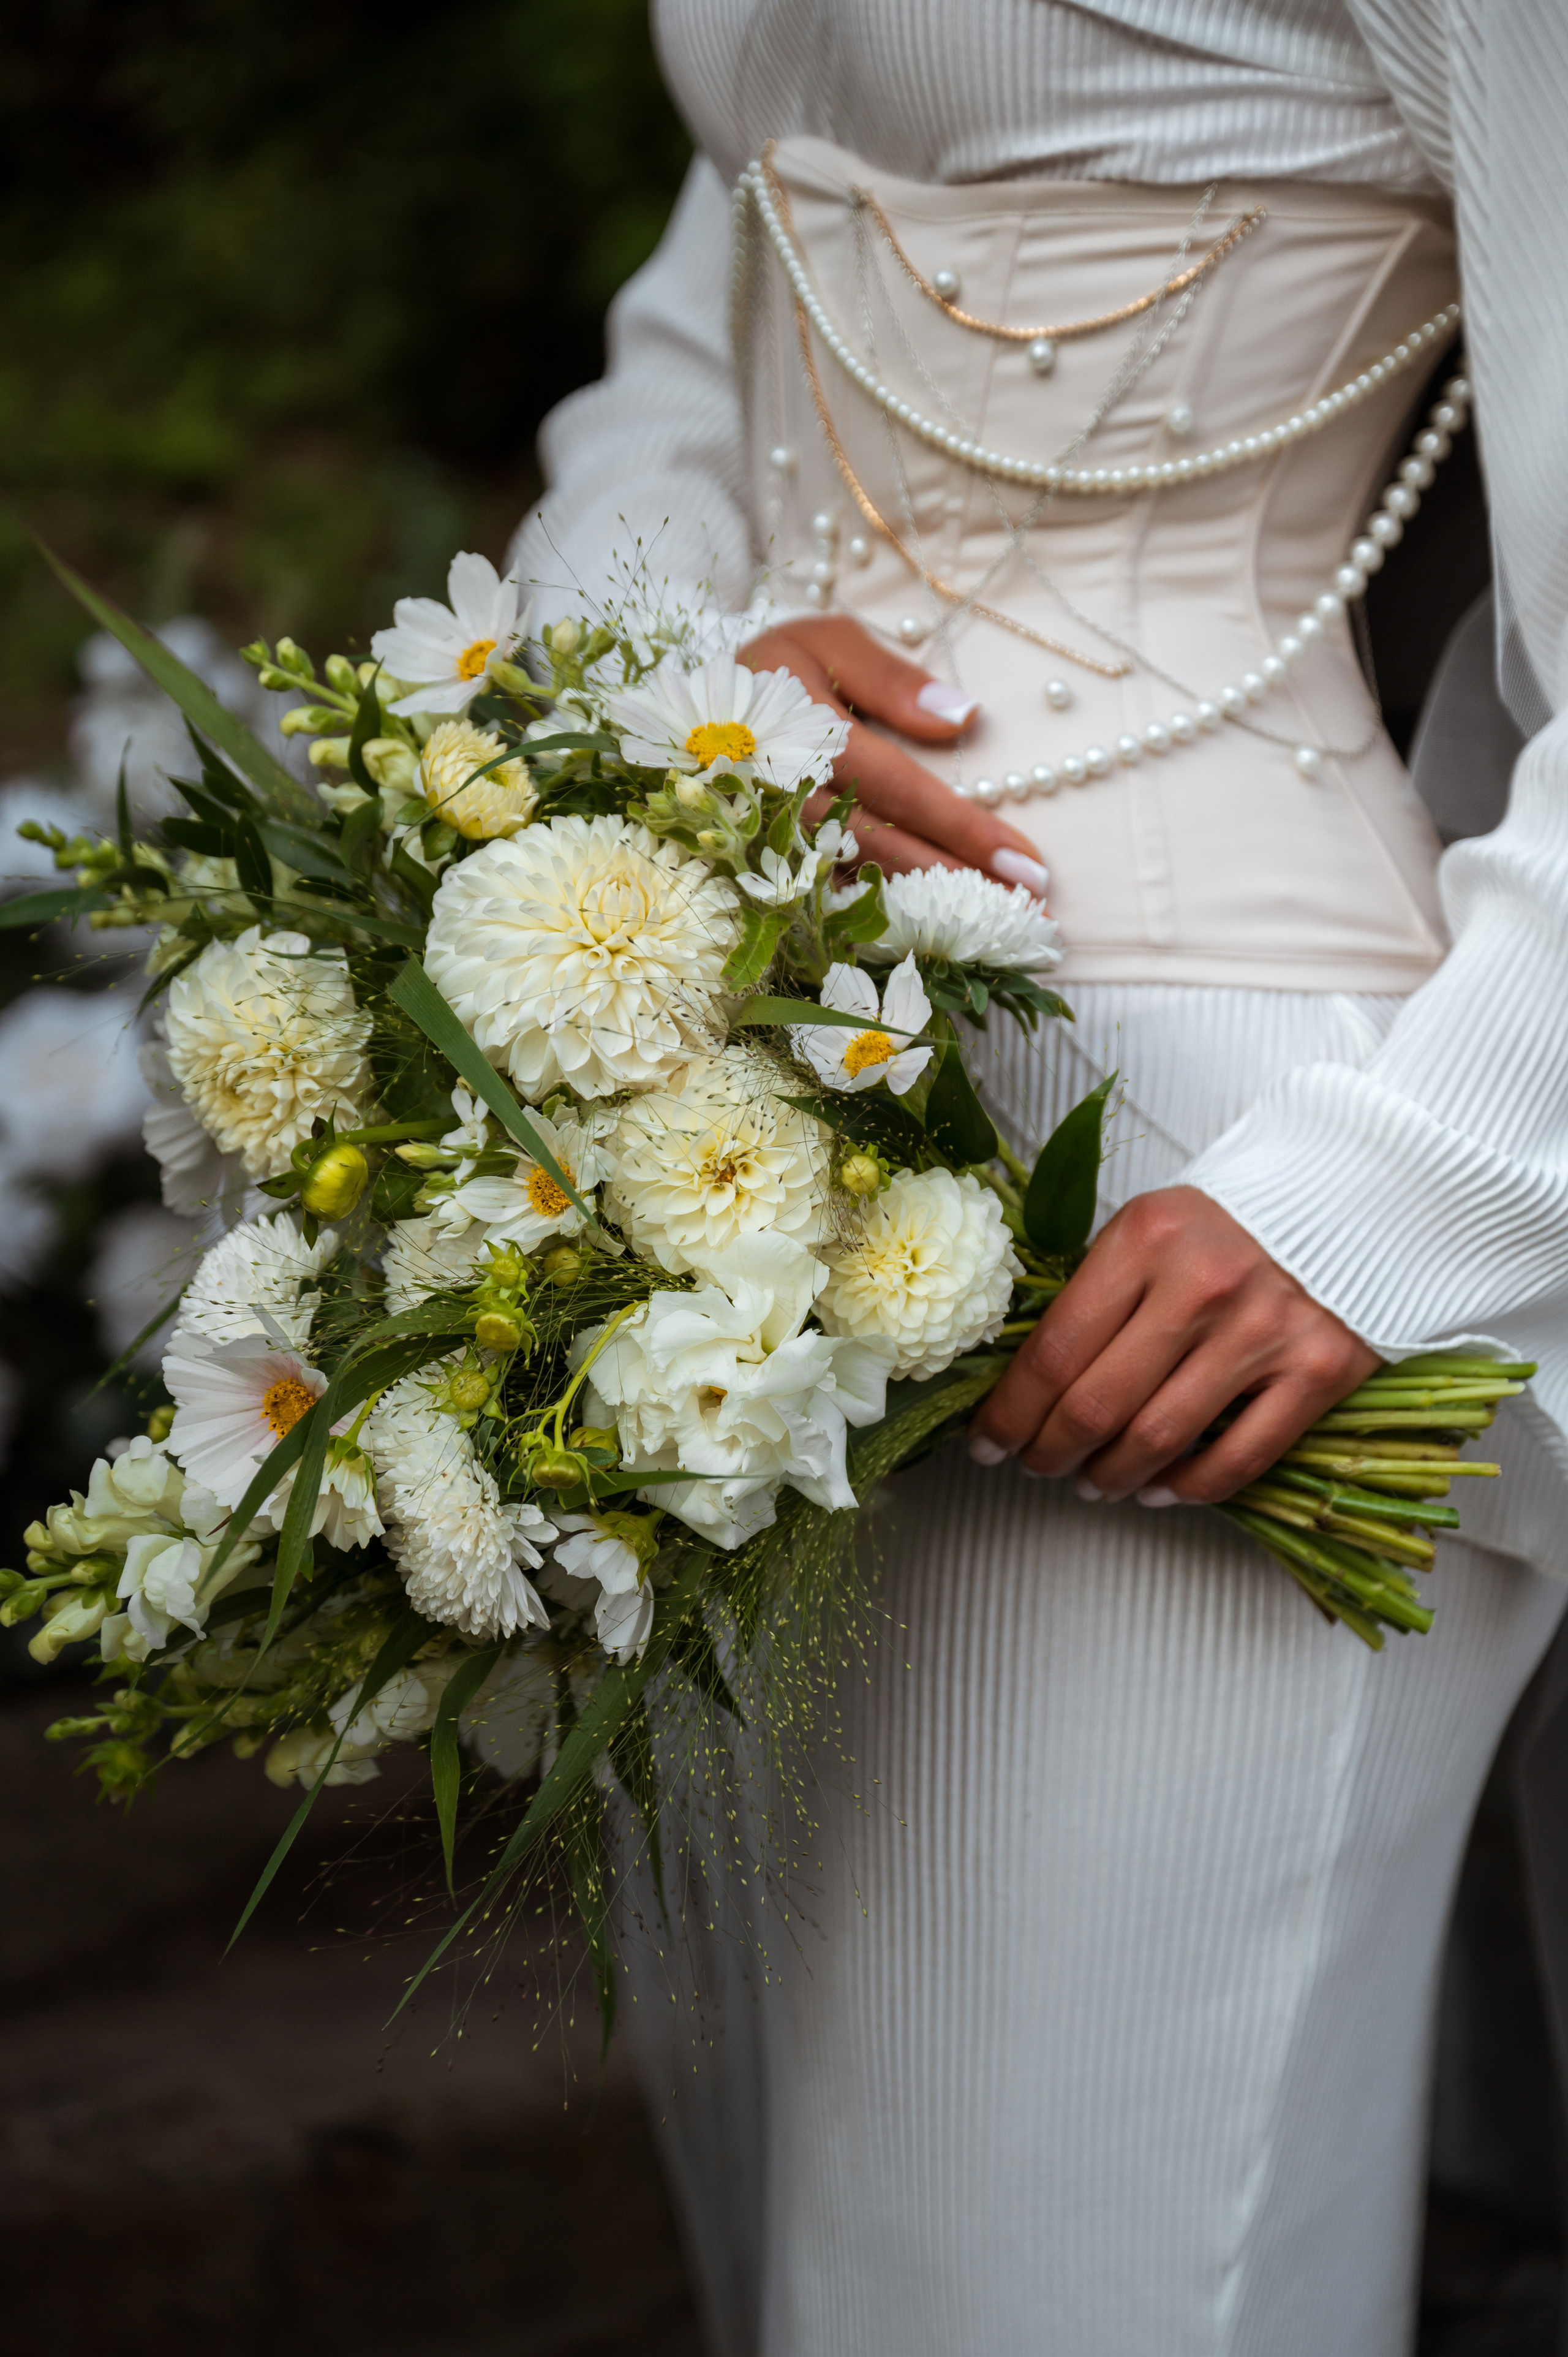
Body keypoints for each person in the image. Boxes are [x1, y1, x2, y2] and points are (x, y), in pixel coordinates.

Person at [513, 6, 1568, 2350]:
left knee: (1090, 2249)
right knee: (889, 2244)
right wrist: (676, 685)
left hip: (1229, 1207)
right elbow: (696, 329)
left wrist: (1403, 1195)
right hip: (760, 1159)